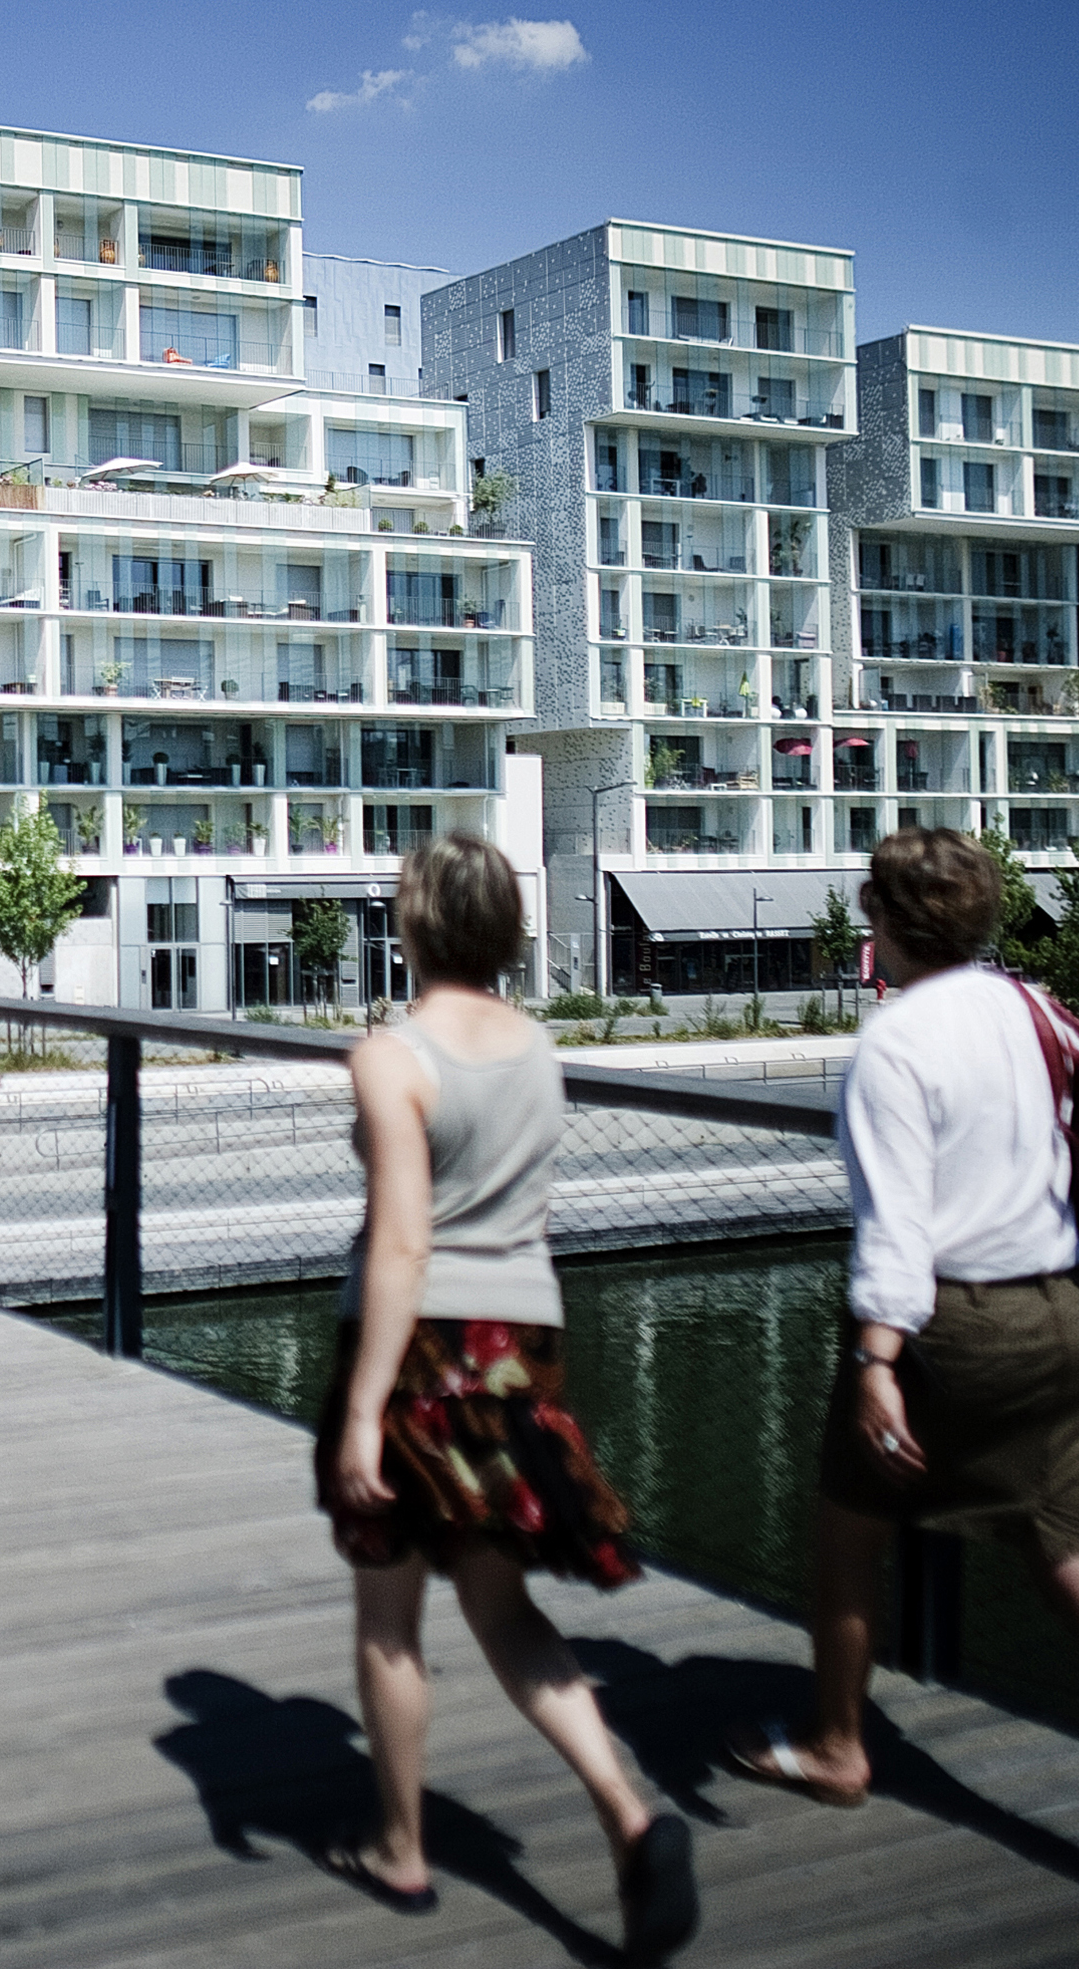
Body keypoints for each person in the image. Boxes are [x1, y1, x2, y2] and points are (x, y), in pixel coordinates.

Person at [727, 829, 1079, 1947]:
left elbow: (896, 1227)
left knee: (848, 1531)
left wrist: (876, 1363)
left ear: (882, 920)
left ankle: (839, 1746)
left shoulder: (894, 1043)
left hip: (951, 1331)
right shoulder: (1027, 1006)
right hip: (1066, 1318)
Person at [318, 835, 697, 1961]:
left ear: (415, 923)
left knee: (389, 1616)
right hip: (522, 1343)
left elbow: (402, 1241)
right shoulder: (538, 1046)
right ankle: (629, 1815)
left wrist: (362, 1412)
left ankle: (402, 1849)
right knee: (503, 1606)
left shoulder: (391, 1054)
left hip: (419, 1345)